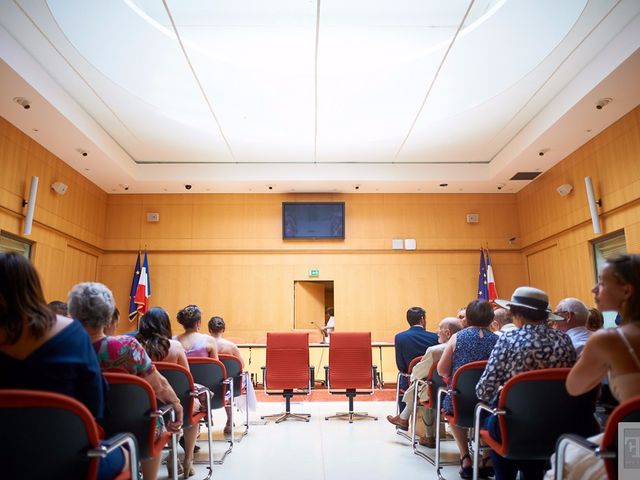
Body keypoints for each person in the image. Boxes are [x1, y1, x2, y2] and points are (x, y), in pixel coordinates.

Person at [0, 253, 127, 480]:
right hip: (66, 461)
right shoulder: (71, 333)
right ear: (33, 287)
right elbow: (94, 406)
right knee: (127, 452)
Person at [69, 282, 183, 480]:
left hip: (79, 433)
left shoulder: (64, 349)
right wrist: (176, 404)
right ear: (109, 316)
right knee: (154, 424)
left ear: (73, 314)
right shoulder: (127, 347)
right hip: (135, 427)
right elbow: (159, 386)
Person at [545, 254, 640, 480]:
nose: (594, 289)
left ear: (626, 291)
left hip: (633, 442)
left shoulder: (608, 340)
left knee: (563, 459)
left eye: (602, 282)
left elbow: (574, 387)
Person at [476, 287, 575, 480]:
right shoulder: (564, 340)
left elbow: (483, 391)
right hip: (559, 424)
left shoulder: (508, 339)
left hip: (516, 427)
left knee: (494, 422)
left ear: (515, 312)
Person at [438, 300, 499, 478]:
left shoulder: (457, 338)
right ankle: (487, 457)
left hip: (460, 402)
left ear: (467, 318)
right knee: (488, 403)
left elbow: (442, 369)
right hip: (490, 404)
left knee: (450, 402)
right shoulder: (498, 339)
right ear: (491, 318)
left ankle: (465, 457)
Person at [137, 307, 197, 477]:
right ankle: (185, 459)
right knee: (195, 406)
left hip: (145, 409)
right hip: (173, 406)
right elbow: (188, 381)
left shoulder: (135, 349)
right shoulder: (176, 347)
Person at [386, 316, 463, 447]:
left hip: (440, 394)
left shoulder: (435, 351)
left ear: (448, 333)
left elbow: (417, 372)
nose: (436, 331)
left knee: (424, 384)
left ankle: (424, 433)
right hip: (464, 394)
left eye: (439, 328)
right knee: (427, 384)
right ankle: (404, 418)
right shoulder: (466, 347)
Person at [394, 307, 439, 411]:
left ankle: (403, 419)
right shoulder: (435, 337)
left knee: (402, 376)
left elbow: (400, 365)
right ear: (422, 319)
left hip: (409, 380)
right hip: (431, 381)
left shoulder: (399, 337)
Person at [208, 315, 245, 434]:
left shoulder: (204, 345)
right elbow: (241, 364)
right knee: (228, 387)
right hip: (227, 385)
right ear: (223, 330)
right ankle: (229, 420)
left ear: (209, 330)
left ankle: (205, 418)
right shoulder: (231, 346)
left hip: (207, 384)